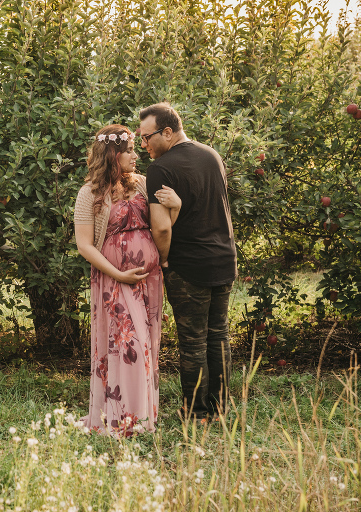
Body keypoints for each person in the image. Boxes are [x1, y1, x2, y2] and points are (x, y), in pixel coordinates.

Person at [74, 124, 181, 436]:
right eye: (130, 151)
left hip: (149, 280)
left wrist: (176, 208)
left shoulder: (145, 184)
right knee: (126, 345)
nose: (137, 156)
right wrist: (119, 273)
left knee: (144, 345)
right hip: (115, 280)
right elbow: (84, 245)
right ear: (112, 154)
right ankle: (123, 418)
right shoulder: (89, 193)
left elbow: (162, 225)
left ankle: (141, 417)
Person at [138, 103, 237, 423]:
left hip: (188, 264)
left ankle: (196, 413)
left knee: (193, 341)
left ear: (167, 132)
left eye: (147, 137)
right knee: (218, 335)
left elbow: (162, 227)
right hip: (223, 258)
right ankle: (221, 409)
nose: (143, 145)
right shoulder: (212, 156)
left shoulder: (161, 168)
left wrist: (164, 260)